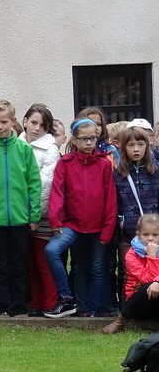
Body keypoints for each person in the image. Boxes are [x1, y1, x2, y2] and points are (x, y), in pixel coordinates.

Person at [44, 117, 117, 318]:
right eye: (83, 139)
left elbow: (110, 199)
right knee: (52, 251)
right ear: (74, 140)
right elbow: (57, 193)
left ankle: (93, 311)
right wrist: (56, 220)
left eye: (92, 138)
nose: (88, 143)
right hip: (72, 225)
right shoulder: (65, 164)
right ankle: (69, 299)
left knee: (97, 269)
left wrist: (107, 230)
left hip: (98, 227)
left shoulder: (103, 164)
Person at [0, 100, 41, 317]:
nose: (0, 127)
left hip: (20, 218)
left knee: (19, 263)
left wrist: (33, 215)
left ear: (13, 121)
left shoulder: (24, 149)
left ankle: (20, 305)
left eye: (4, 122)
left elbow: (33, 183)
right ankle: (3, 305)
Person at [109, 126, 159, 325]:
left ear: (147, 145)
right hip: (129, 233)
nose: (136, 149)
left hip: (155, 232)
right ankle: (126, 312)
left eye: (140, 144)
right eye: (131, 145)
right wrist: (121, 221)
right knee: (127, 273)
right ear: (123, 147)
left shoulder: (155, 170)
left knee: (154, 271)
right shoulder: (119, 173)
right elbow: (116, 202)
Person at [19, 104, 61, 315]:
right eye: (33, 122)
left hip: (40, 214)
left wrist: (34, 213)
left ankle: (49, 302)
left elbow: (44, 185)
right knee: (29, 264)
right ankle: (35, 303)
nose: (36, 128)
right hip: (19, 213)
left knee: (42, 261)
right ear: (25, 121)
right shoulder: (16, 144)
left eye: (42, 126)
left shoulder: (50, 149)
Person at [102, 213, 159, 333]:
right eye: (145, 234)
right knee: (150, 286)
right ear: (138, 235)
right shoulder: (131, 255)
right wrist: (152, 257)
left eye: (155, 235)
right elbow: (147, 279)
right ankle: (120, 321)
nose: (150, 238)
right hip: (138, 303)